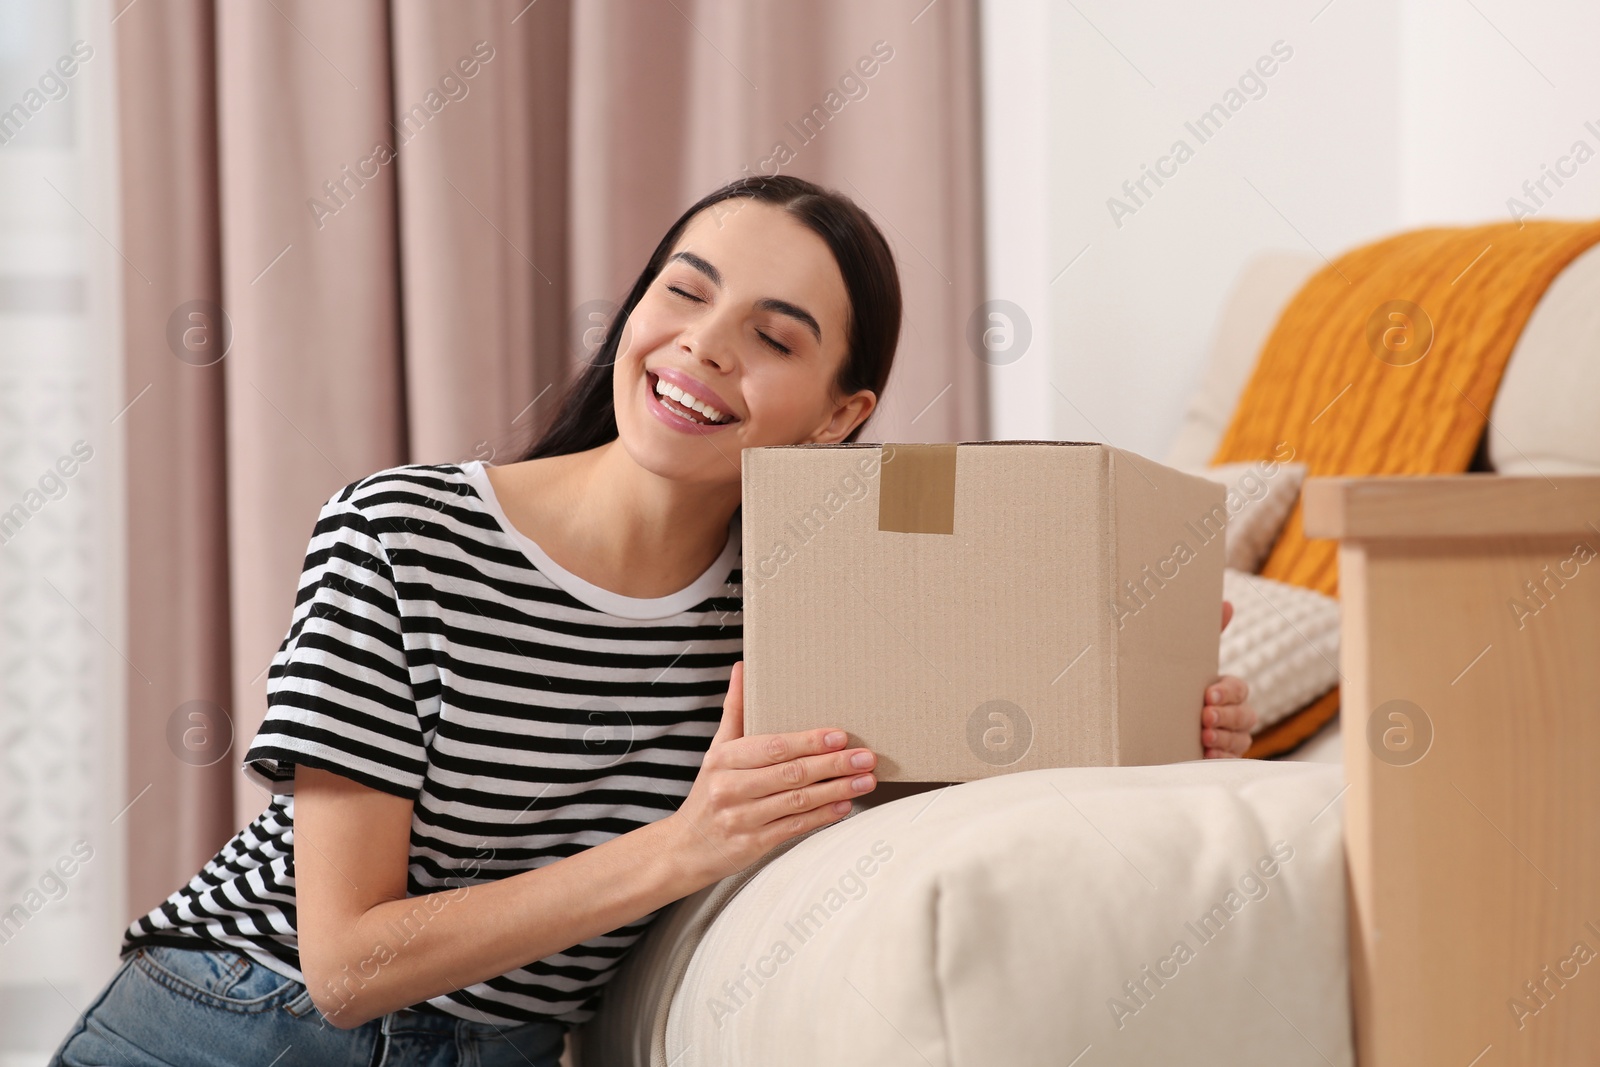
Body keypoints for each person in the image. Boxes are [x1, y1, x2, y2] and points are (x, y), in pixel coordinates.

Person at [48, 175, 1258, 1066]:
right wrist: (686, 843)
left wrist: (1164, 734)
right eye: (683, 293)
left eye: (773, 338)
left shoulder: (827, 602)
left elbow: (973, 782)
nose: (702, 346)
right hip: (234, 1022)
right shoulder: (398, 533)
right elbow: (349, 962)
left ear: (841, 417)